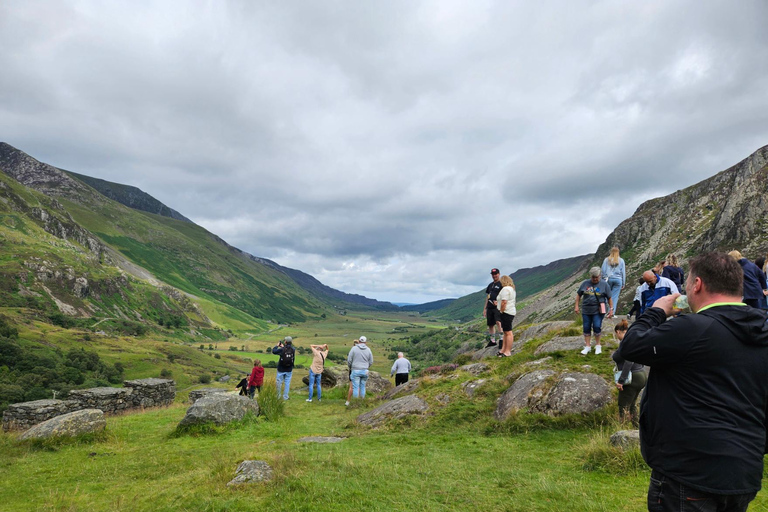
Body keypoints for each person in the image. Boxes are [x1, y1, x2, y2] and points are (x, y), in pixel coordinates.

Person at [618, 252, 768, 511]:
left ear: (697, 285)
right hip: (744, 471)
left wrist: (655, 312)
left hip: (688, 472)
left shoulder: (692, 328)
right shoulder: (763, 328)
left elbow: (630, 346)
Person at [610, 320, 646, 427]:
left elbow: (629, 361)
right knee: (632, 404)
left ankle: (623, 430)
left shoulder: (626, 343)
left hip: (632, 377)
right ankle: (636, 428)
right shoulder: (634, 341)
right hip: (641, 374)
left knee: (623, 405)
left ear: (618, 332)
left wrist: (621, 380)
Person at [575, 267, 613, 355]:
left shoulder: (604, 285)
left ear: (600, 276)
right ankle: (587, 346)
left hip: (598, 310)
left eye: (597, 277)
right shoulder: (585, 283)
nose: (595, 279)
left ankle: (598, 345)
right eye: (593, 277)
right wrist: (576, 306)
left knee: (597, 326)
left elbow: (609, 298)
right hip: (586, 310)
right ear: (590, 276)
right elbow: (578, 295)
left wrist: (611, 309)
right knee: (586, 327)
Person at [346, 335, 373, 403]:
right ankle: (362, 402)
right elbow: (371, 361)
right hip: (365, 371)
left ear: (359, 341)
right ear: (365, 342)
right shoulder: (368, 349)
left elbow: (349, 360)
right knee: (363, 387)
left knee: (355, 387)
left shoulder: (354, 348)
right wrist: (366, 366)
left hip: (355, 370)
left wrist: (351, 367)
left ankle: (356, 403)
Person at [601, 246, 626, 315]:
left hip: (608, 279)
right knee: (614, 297)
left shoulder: (606, 260)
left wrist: (603, 279)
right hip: (618, 280)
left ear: (611, 252)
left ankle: (603, 312)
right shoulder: (621, 260)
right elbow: (623, 272)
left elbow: (603, 270)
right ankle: (611, 313)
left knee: (605, 296)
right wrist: (623, 283)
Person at [482, 268, 503, 347]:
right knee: (490, 324)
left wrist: (499, 302)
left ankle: (501, 339)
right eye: (493, 274)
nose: (494, 276)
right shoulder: (490, 285)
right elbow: (488, 297)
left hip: (497, 307)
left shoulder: (502, 284)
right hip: (490, 307)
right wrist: (485, 308)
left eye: (496, 274)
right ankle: (492, 341)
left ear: (499, 274)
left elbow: (504, 296)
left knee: (498, 322)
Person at [497, 274, 516, 357]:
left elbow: (504, 302)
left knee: (508, 332)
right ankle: (503, 350)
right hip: (510, 311)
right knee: (505, 332)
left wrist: (501, 311)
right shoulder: (511, 289)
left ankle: (507, 351)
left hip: (506, 312)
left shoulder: (505, 289)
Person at [271, 336, 295, 400]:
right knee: (287, 383)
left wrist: (277, 346)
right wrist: (283, 347)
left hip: (281, 369)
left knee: (279, 382)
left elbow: (274, 351)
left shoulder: (282, 349)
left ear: (285, 341)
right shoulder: (293, 349)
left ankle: (278, 396)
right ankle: (285, 397)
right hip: (289, 369)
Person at [345, 339, 359, 406]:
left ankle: (348, 401)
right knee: (358, 386)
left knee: (351, 387)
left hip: (353, 369)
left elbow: (349, 360)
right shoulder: (361, 350)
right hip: (360, 369)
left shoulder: (352, 350)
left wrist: (350, 367)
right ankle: (357, 401)